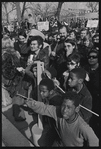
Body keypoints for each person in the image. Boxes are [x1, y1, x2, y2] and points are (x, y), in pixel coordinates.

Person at [22, 91, 99, 146]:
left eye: (69, 107)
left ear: (77, 109)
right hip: (60, 142)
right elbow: (44, 108)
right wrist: (33, 104)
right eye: (63, 106)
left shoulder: (83, 127)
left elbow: (94, 142)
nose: (64, 110)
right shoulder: (58, 111)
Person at [84, 49, 99, 138]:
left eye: (94, 57)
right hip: (88, 99)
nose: (91, 59)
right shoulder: (85, 69)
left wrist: (89, 81)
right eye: (89, 57)